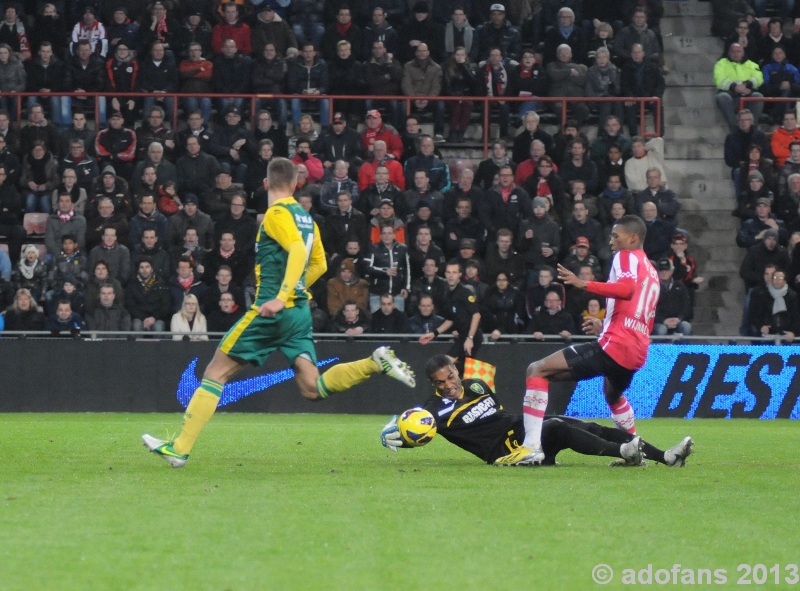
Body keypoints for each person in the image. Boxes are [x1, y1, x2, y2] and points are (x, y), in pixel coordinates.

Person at [142, 157, 417, 467]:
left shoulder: (275, 214)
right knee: (313, 388)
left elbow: (299, 251)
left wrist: (282, 295)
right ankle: (373, 363)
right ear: (296, 183)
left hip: (272, 309)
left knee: (214, 373)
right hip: (299, 314)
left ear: (265, 184)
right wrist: (297, 290)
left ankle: (180, 447)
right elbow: (320, 264)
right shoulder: (306, 218)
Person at [491, 215, 660, 465]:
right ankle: (633, 450)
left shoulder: (627, 256)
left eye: (616, 236)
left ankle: (531, 448)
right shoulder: (651, 271)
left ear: (632, 238)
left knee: (537, 370)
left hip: (616, 346)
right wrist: (604, 325)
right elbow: (639, 312)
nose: (611, 241)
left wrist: (584, 284)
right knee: (612, 395)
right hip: (637, 351)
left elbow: (626, 290)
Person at [380, 354, 694, 468]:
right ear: (432, 384)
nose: (449, 385)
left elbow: (499, 414)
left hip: (518, 428)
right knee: (558, 427)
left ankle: (666, 457)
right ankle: (624, 450)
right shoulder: (434, 411)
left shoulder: (476, 384)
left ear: (456, 371)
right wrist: (393, 437)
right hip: (505, 449)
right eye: (441, 382)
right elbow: (414, 430)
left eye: (451, 377)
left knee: (585, 424)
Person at [419, 260, 482, 367]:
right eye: (448, 272)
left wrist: (470, 338)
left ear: (460, 275)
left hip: (472, 336)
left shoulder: (465, 292)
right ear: (445, 274)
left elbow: (476, 315)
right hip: (462, 336)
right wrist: (434, 334)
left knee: (447, 363)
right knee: (462, 370)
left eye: (454, 272)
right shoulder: (448, 294)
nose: (451, 276)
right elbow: (450, 320)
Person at [714, 43, 764, 132]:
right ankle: (734, 129)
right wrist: (735, 87)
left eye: (738, 51)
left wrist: (746, 84)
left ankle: (752, 128)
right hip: (731, 96)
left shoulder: (751, 64)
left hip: (747, 94)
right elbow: (719, 79)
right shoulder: (721, 63)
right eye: (733, 51)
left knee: (758, 96)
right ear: (729, 53)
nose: (736, 54)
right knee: (722, 97)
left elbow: (759, 78)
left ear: (743, 53)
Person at [749, 267, 800, 342]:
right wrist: (761, 327)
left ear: (785, 281)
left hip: (787, 334)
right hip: (767, 335)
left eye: (780, 278)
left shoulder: (792, 297)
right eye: (775, 278)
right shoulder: (763, 296)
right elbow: (755, 316)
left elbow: (796, 317)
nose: (777, 280)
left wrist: (793, 332)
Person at [652, 257, 692, 337]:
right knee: (661, 330)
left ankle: (682, 349)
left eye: (666, 270)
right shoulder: (652, 286)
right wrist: (662, 320)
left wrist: (679, 318)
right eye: (661, 270)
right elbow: (649, 308)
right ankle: (659, 349)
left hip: (677, 320)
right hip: (658, 322)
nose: (664, 273)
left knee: (686, 326)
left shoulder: (680, 286)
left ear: (671, 271)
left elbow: (686, 304)